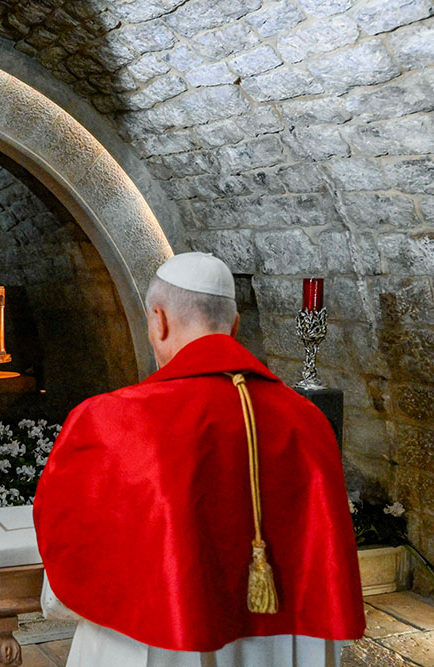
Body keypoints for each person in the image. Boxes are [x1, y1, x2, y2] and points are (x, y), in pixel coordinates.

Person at [33, 252, 365, 666]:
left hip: (160, 638)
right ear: (235, 327)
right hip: (286, 640)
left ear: (159, 320)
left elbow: (67, 534)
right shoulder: (307, 420)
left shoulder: (112, 419)